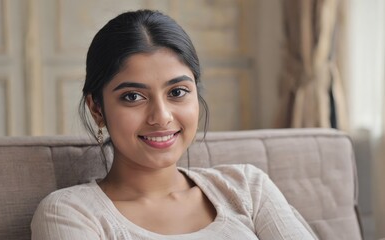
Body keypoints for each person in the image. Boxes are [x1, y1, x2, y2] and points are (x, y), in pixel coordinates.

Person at [31, 9, 317, 240]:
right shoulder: (70, 213)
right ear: (97, 109)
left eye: (177, 92)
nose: (162, 116)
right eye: (133, 97)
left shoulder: (248, 188)